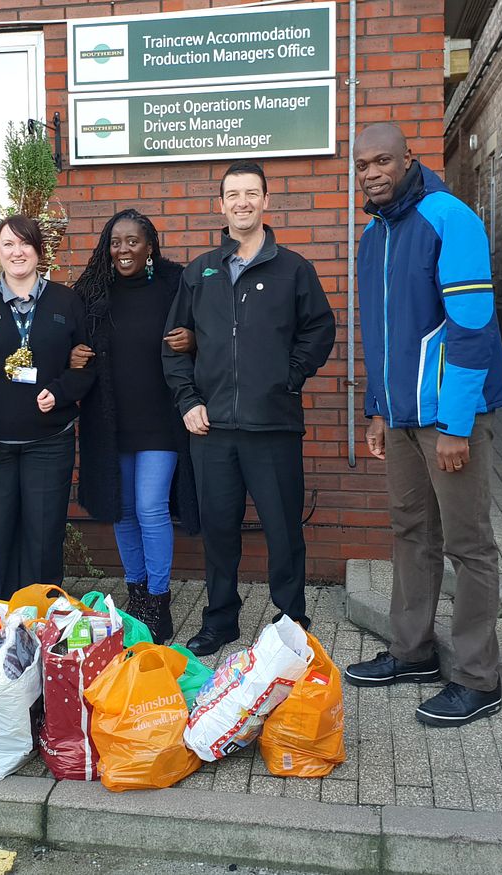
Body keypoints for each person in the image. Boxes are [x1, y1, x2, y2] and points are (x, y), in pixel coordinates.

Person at [344, 123, 502, 727]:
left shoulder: (450, 217)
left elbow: (471, 329)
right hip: (400, 418)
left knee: (469, 546)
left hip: (450, 419)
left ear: (408, 158)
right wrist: (376, 407)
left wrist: (457, 425)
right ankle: (412, 652)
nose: (371, 172)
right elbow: (383, 336)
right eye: (362, 165)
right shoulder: (372, 233)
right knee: (410, 532)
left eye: (383, 160)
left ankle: (477, 677)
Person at [162, 160, 335, 657]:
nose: (242, 202)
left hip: (273, 426)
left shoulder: (293, 268)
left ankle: (290, 622)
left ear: (266, 201)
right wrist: (188, 400)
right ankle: (220, 620)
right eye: (232, 194)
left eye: (251, 193)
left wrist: (290, 374)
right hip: (212, 430)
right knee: (219, 531)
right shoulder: (201, 272)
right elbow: (172, 348)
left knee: (283, 529)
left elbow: (319, 329)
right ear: (221, 204)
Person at [70, 209, 199, 644]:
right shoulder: (91, 292)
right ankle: (137, 593)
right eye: (115, 242)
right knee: (123, 510)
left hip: (161, 417)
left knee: (150, 507)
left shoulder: (173, 284)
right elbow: (69, 340)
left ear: (150, 246)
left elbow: (205, 329)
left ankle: (158, 601)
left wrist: (194, 339)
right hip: (110, 419)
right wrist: (72, 357)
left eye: (132, 242)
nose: (123, 250)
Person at [0, 215, 95, 601]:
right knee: (0, 539)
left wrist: (61, 391)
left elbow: (86, 364)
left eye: (25, 244)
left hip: (50, 442)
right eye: (8, 245)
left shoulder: (66, 301)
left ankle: (45, 620)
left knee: (45, 538)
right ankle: (2, 621)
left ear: (38, 251)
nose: (17, 252)